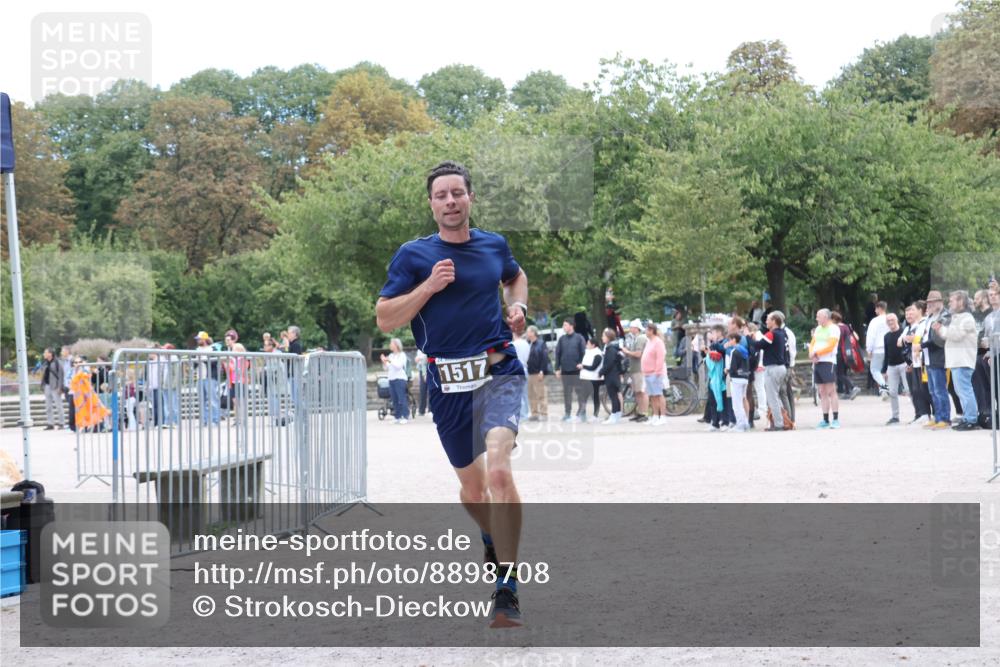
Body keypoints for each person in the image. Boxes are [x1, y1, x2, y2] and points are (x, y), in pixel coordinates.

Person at [375, 160, 528, 627]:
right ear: (431, 203)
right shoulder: (413, 256)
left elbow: (514, 277)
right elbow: (385, 318)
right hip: (446, 384)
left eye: (457, 193)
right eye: (441, 195)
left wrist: (517, 304)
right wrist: (428, 286)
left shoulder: (493, 245)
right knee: (472, 487)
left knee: (499, 470)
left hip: (499, 369)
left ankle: (507, 584)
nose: (450, 201)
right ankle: (489, 533)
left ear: (470, 197)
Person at [933, 290, 980, 431]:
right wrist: (940, 330)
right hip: (956, 361)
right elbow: (947, 336)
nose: (950, 303)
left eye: (952, 300)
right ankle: (967, 417)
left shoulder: (967, 318)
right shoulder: (957, 317)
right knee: (961, 391)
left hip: (963, 360)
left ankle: (971, 419)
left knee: (965, 391)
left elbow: (956, 335)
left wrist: (942, 329)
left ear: (961, 302)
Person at [754, 311, 790, 431]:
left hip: (773, 368)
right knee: (776, 396)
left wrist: (750, 338)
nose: (766, 321)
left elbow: (758, 345)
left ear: (774, 321)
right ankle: (785, 420)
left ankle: (779, 424)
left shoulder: (771, 334)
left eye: (768, 319)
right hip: (782, 367)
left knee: (772, 397)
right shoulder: (783, 333)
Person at [922, 291, 951, 429]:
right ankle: (938, 416)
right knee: (933, 390)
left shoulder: (945, 316)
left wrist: (922, 345)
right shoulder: (930, 317)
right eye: (929, 302)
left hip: (938, 356)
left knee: (940, 390)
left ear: (940, 302)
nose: (931, 304)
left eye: (933, 302)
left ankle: (944, 418)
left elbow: (938, 339)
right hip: (929, 357)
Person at [808, 308, 841, 429]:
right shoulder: (817, 329)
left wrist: (817, 353)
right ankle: (825, 419)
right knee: (822, 391)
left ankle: (836, 419)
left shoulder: (834, 329)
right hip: (818, 362)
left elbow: (831, 345)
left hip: (828, 361)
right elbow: (813, 343)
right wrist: (811, 353)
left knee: (831, 390)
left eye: (818, 316)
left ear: (826, 317)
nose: (817, 318)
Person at [900, 302, 932, 425]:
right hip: (915, 360)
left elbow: (924, 340)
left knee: (925, 389)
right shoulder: (916, 325)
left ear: (919, 310)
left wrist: (912, 339)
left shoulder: (924, 323)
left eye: (912, 310)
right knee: (917, 389)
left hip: (923, 360)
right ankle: (922, 413)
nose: (910, 313)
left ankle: (930, 414)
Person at [555, 318, 587, 422]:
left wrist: (582, 363)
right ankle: (567, 413)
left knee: (580, 392)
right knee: (566, 393)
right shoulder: (562, 339)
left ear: (571, 325)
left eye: (565, 325)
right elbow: (558, 354)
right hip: (565, 370)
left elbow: (584, 352)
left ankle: (582, 413)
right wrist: (557, 368)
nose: (564, 327)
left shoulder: (579, 338)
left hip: (576, 370)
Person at [881, 312, 909, 425]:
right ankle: (895, 416)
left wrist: (909, 363)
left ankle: (919, 414)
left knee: (909, 390)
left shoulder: (904, 332)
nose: (890, 322)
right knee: (892, 391)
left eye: (892, 320)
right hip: (891, 366)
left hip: (904, 364)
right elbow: (886, 353)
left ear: (896, 320)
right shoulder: (886, 336)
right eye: (888, 321)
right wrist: (884, 370)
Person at [70, 356, 110, 431]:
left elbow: (90, 379)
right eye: (76, 362)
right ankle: (84, 425)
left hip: (88, 394)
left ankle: (102, 425)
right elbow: (71, 382)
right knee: (81, 411)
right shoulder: (71, 372)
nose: (78, 364)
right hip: (78, 396)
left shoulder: (86, 371)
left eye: (80, 362)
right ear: (73, 364)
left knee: (96, 408)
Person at [622, 319, 649, 422]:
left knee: (642, 392)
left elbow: (638, 354)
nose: (630, 329)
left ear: (636, 328)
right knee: (637, 392)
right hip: (635, 369)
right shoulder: (636, 338)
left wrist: (627, 352)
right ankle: (640, 412)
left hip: (639, 369)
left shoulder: (640, 339)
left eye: (632, 327)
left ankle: (644, 413)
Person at [725, 333, 753, 432]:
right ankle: (745, 423)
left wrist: (728, 371)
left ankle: (740, 424)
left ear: (734, 340)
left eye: (729, 340)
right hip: (745, 377)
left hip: (736, 378)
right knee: (741, 400)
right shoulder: (744, 350)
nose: (728, 342)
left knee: (736, 404)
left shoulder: (734, 351)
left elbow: (733, 367)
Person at [830, 311, 861, 400]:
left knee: (839, 374)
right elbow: (855, 338)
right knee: (843, 372)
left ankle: (853, 387)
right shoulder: (846, 327)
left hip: (839, 352)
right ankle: (848, 392)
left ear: (833, 319)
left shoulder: (835, 328)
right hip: (847, 353)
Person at [641, 321, 667, 425]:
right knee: (652, 395)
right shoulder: (649, 341)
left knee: (659, 394)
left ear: (651, 331)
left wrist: (657, 371)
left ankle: (663, 416)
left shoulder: (658, 342)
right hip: (647, 372)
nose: (645, 331)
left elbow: (660, 357)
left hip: (655, 372)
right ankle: (655, 416)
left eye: (647, 330)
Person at [380, 338, 410, 424]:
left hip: (400, 379)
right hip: (391, 379)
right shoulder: (391, 355)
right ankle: (397, 416)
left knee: (401, 398)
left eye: (391, 343)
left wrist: (389, 360)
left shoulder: (402, 355)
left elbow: (398, 366)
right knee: (394, 399)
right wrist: (384, 362)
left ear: (396, 345)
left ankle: (405, 416)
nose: (390, 345)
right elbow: (387, 367)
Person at [195, 331, 222, 425]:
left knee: (212, 400)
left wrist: (204, 359)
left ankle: (215, 420)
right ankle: (204, 420)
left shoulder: (212, 349)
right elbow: (194, 363)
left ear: (204, 339)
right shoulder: (197, 349)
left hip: (210, 377)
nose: (198, 340)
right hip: (199, 377)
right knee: (201, 401)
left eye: (199, 339)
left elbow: (215, 362)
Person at [525, 326, 551, 421]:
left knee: (541, 394)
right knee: (531, 394)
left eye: (528, 332)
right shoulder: (528, 344)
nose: (527, 333)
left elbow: (544, 358)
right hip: (530, 372)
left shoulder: (541, 344)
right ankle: (534, 413)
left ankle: (544, 414)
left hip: (538, 373)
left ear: (533, 333)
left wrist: (542, 371)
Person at [600, 328, 623, 424]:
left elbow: (608, 364)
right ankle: (616, 415)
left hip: (611, 375)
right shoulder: (615, 347)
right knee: (615, 395)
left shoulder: (610, 349)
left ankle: (613, 415)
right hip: (615, 374)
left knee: (613, 395)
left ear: (608, 337)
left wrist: (601, 372)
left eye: (603, 336)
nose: (602, 338)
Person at [578, 336, 604, 423]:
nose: (586, 345)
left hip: (594, 379)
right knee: (584, 396)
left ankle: (595, 415)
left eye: (588, 344)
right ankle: (581, 414)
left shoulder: (598, 354)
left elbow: (593, 367)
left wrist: (583, 366)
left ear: (593, 345)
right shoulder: (588, 352)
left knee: (595, 396)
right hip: (586, 378)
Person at [866, 301, 890, 396]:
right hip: (889, 348)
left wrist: (869, 349)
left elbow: (871, 336)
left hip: (878, 348)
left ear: (879, 308)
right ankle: (885, 391)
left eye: (876, 309)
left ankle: (884, 388)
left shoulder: (874, 321)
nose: (875, 311)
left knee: (875, 370)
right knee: (886, 370)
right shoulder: (890, 319)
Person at [40, 348, 65, 430]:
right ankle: (50, 423)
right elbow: (44, 375)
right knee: (48, 406)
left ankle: (61, 423)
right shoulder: (45, 363)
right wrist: (42, 385)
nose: (44, 354)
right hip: (47, 386)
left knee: (58, 406)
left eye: (45, 352)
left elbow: (61, 375)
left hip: (55, 386)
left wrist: (60, 387)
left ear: (50, 354)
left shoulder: (57, 362)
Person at [511, 331, 531, 420]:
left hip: (517, 370)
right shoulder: (526, 343)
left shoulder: (513, 344)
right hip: (525, 369)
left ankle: (522, 415)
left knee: (518, 394)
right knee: (525, 394)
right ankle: (527, 413)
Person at [60, 347, 76, 432]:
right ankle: (72, 424)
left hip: (72, 387)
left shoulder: (72, 360)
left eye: (63, 351)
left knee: (72, 407)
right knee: (70, 406)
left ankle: (73, 425)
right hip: (66, 386)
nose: (61, 352)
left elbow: (72, 373)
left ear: (67, 351)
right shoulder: (64, 361)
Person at [415, 349, 430, 417]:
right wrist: (424, 374)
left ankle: (431, 409)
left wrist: (420, 358)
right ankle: (421, 410)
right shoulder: (420, 349)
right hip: (422, 370)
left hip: (430, 368)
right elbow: (419, 361)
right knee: (422, 390)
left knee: (431, 390)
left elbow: (424, 359)